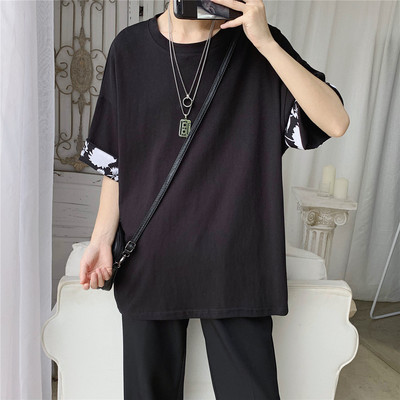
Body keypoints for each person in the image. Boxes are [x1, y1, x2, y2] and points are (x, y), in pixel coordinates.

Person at [79, 0, 350, 398]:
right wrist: (101, 239)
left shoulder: (259, 47)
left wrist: (266, 43)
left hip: (236, 265)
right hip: (150, 260)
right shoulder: (129, 49)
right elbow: (117, 162)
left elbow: (335, 122)